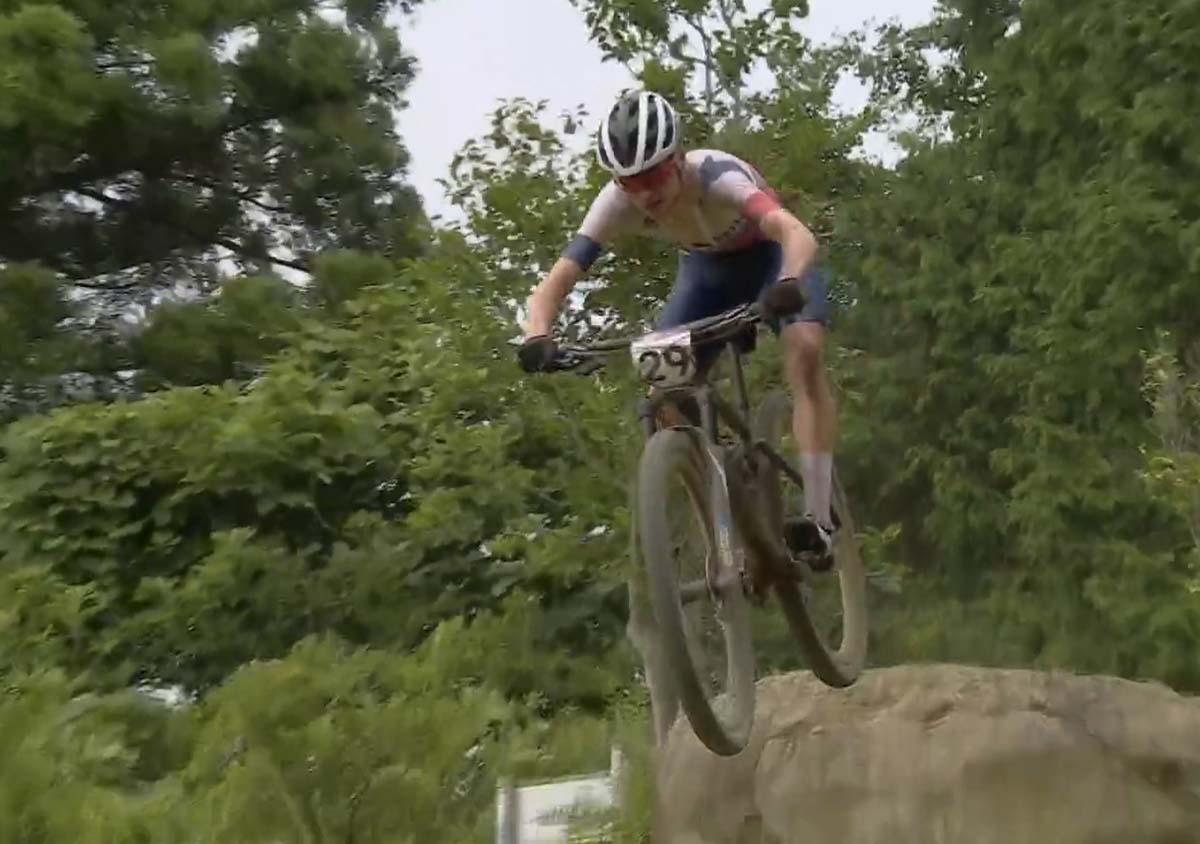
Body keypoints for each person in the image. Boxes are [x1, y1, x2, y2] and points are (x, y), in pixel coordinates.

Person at [516, 89, 838, 563]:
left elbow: (796, 234)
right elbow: (556, 281)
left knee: (804, 350)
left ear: (679, 158)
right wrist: (537, 334)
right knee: (661, 398)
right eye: (630, 182)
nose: (645, 192)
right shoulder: (616, 203)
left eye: (654, 175)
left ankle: (819, 518)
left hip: (772, 261)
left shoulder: (718, 177)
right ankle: (724, 539)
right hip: (706, 274)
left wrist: (788, 282)